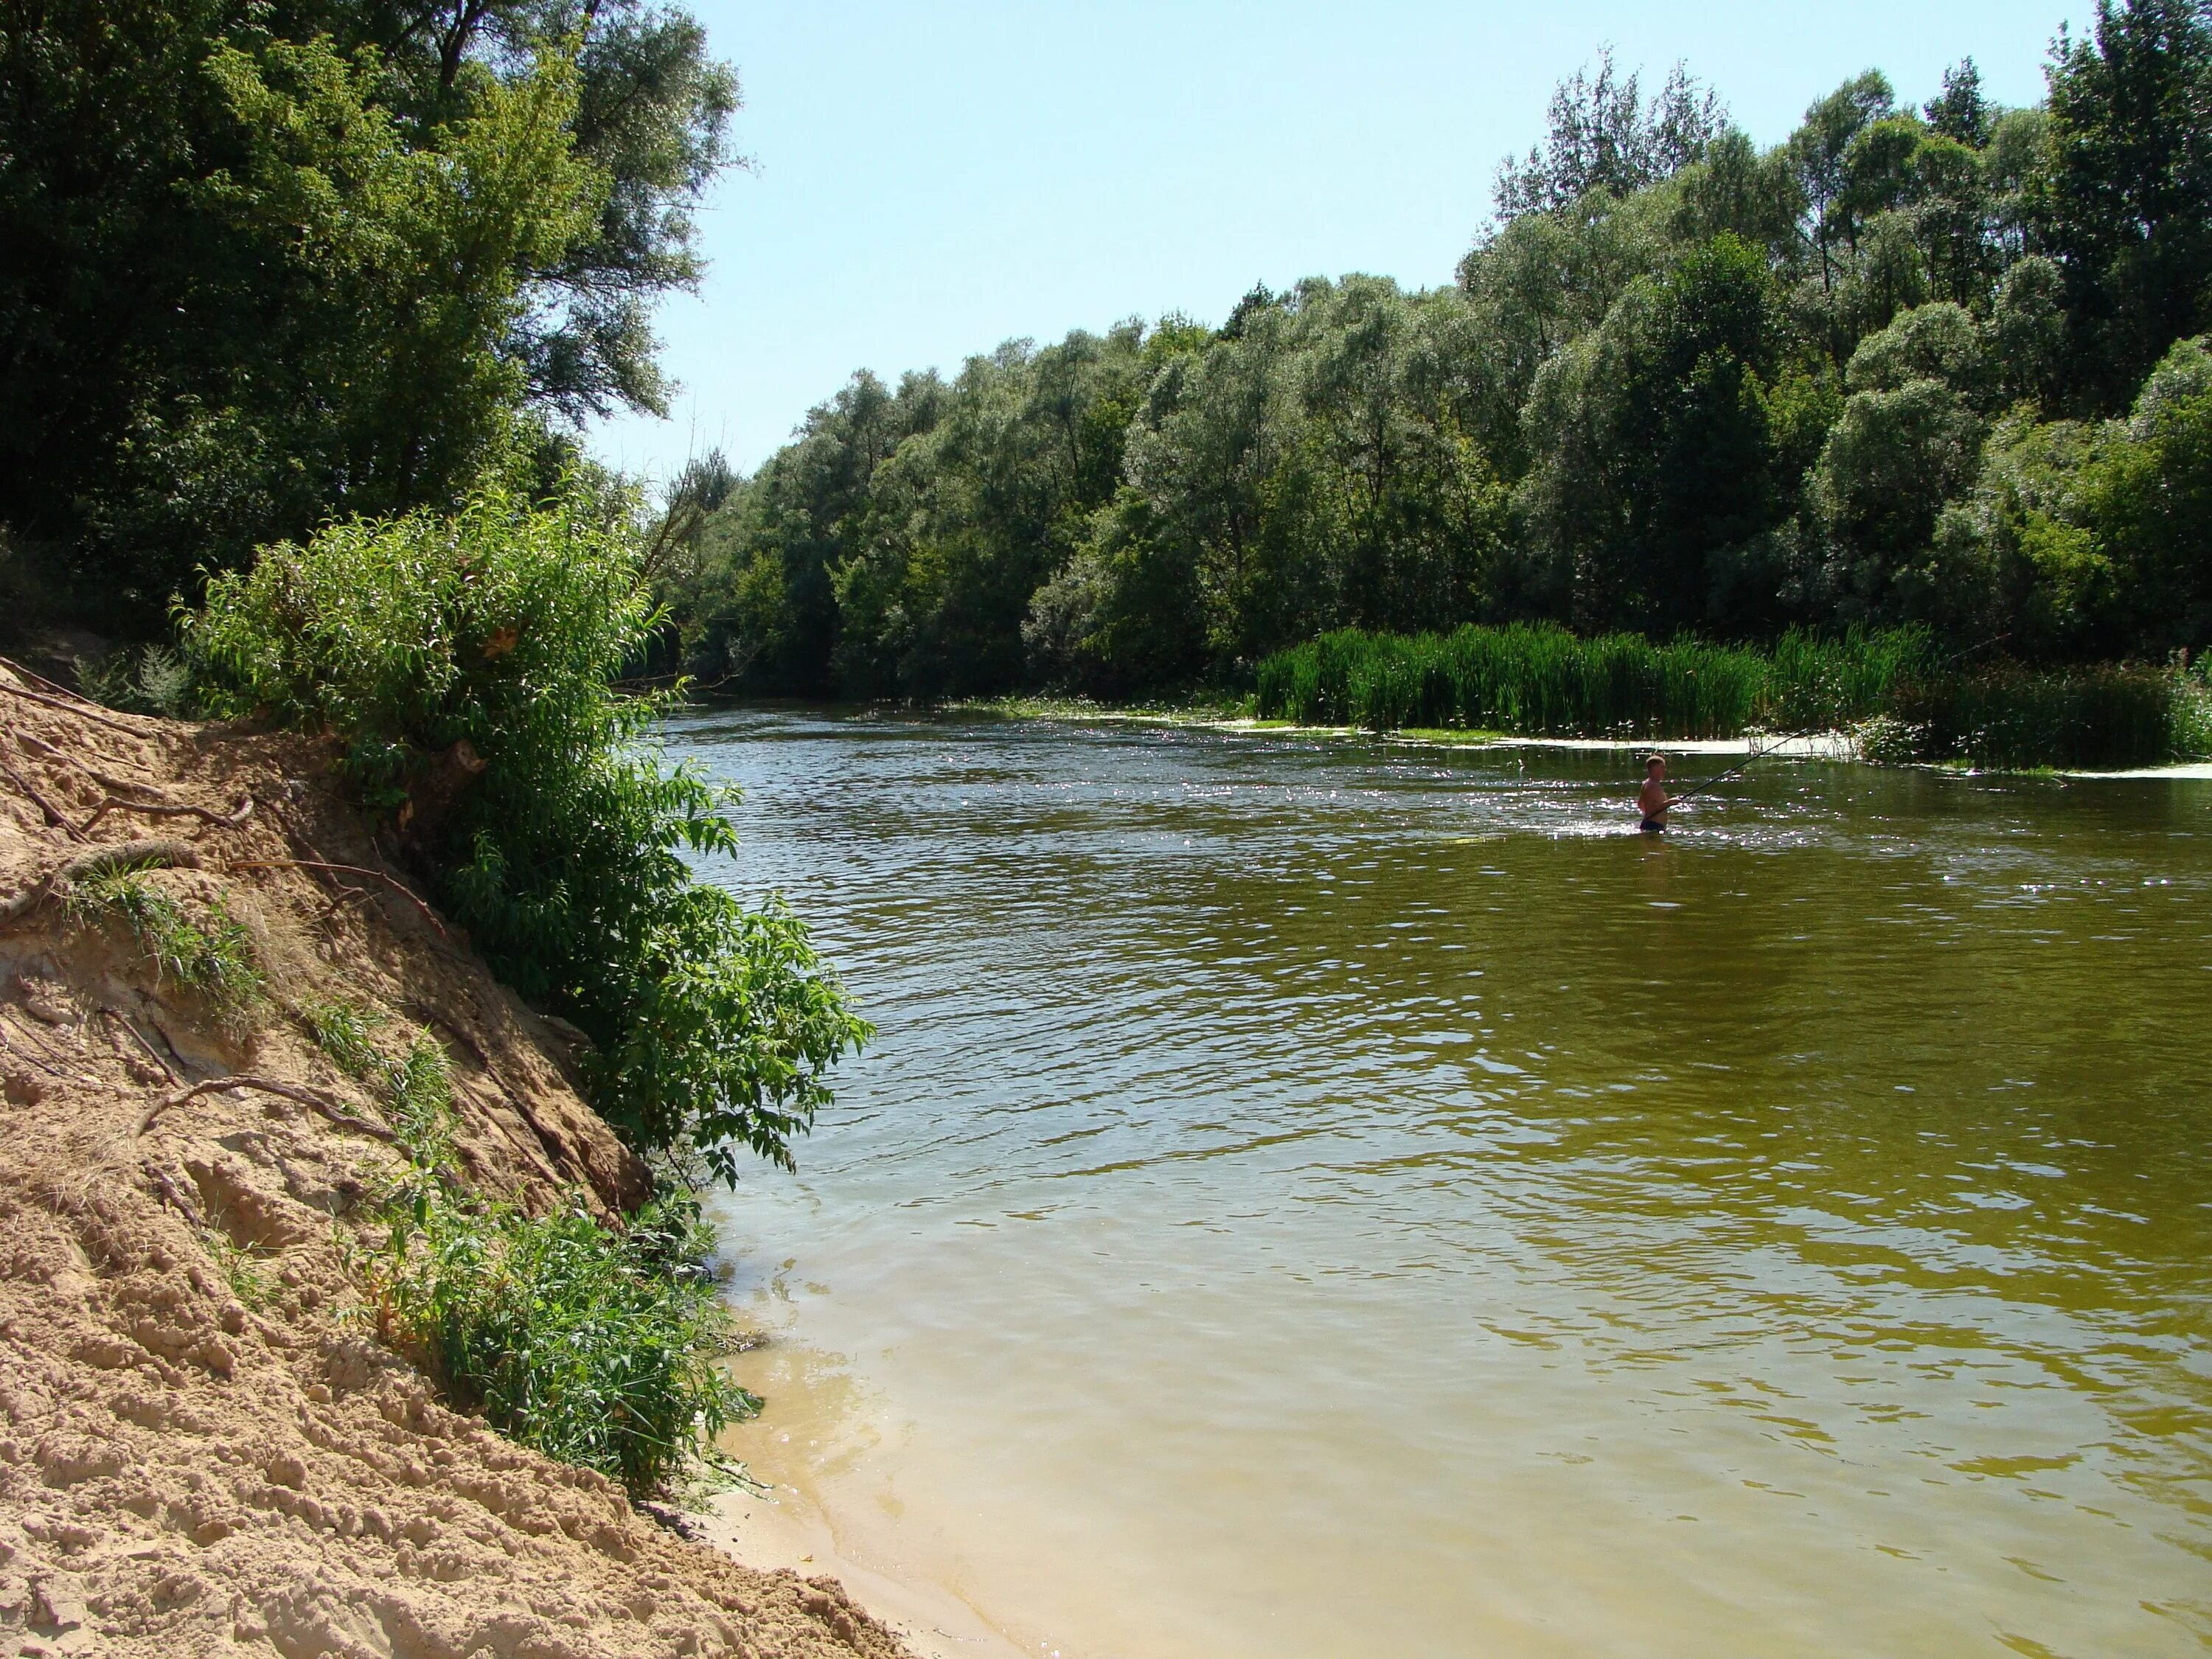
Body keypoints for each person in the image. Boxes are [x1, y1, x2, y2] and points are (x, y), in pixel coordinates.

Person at [1635, 754, 1681, 833]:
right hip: (1654, 826)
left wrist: (1649, 814)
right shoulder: (1654, 786)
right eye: (1662, 767)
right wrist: (1670, 802)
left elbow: (1640, 804)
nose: (1664, 770)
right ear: (1654, 769)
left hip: (1648, 824)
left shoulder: (1646, 783)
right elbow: (1656, 808)